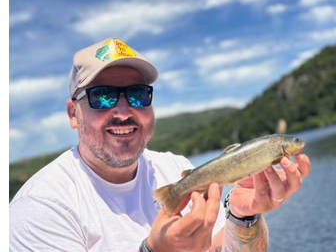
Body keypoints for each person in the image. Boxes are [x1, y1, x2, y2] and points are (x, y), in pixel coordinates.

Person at [9, 38, 311, 252]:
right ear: (73, 114)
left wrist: (243, 216)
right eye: (102, 96)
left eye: (138, 94)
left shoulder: (178, 169)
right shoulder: (40, 209)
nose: (124, 111)